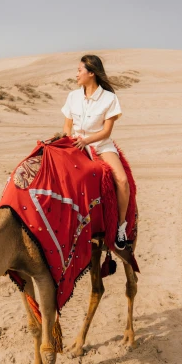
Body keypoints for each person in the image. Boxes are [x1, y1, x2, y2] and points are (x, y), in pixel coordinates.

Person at [61, 54, 130, 250]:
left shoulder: (109, 99)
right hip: (75, 145)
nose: (76, 75)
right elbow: (67, 127)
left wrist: (87, 141)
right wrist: (67, 142)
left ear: (91, 73)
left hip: (100, 146)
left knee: (122, 181)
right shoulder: (72, 97)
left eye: (79, 70)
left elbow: (106, 131)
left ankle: (121, 227)